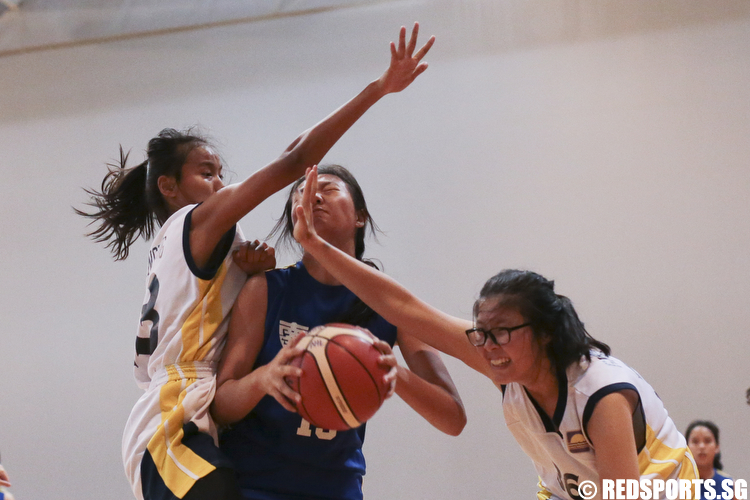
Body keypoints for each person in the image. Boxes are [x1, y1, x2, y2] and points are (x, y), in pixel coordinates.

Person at [76, 22, 435, 500]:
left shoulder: (196, 243)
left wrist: (246, 268)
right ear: (169, 186)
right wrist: (376, 90)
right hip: (171, 415)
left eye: (222, 173)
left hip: (195, 412)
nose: (221, 185)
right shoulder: (196, 220)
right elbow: (294, 160)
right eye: (207, 173)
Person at [291, 167, 698, 499]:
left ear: (544, 334)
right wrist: (315, 244)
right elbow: (407, 310)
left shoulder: (600, 396)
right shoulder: (505, 361)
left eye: (501, 332)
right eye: (481, 333)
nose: (486, 346)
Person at [212, 164, 466, 500]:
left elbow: (453, 419)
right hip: (253, 484)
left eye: (328, 188)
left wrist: (395, 373)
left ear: (360, 216)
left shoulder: (388, 303)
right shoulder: (266, 288)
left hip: (337, 488)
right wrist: (263, 379)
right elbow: (221, 404)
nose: (313, 196)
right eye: (300, 194)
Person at [686, 420, 737, 500]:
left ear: (717, 447)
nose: (701, 446)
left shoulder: (732, 486)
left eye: (707, 441)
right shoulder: (675, 484)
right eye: (695, 442)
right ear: (687, 447)